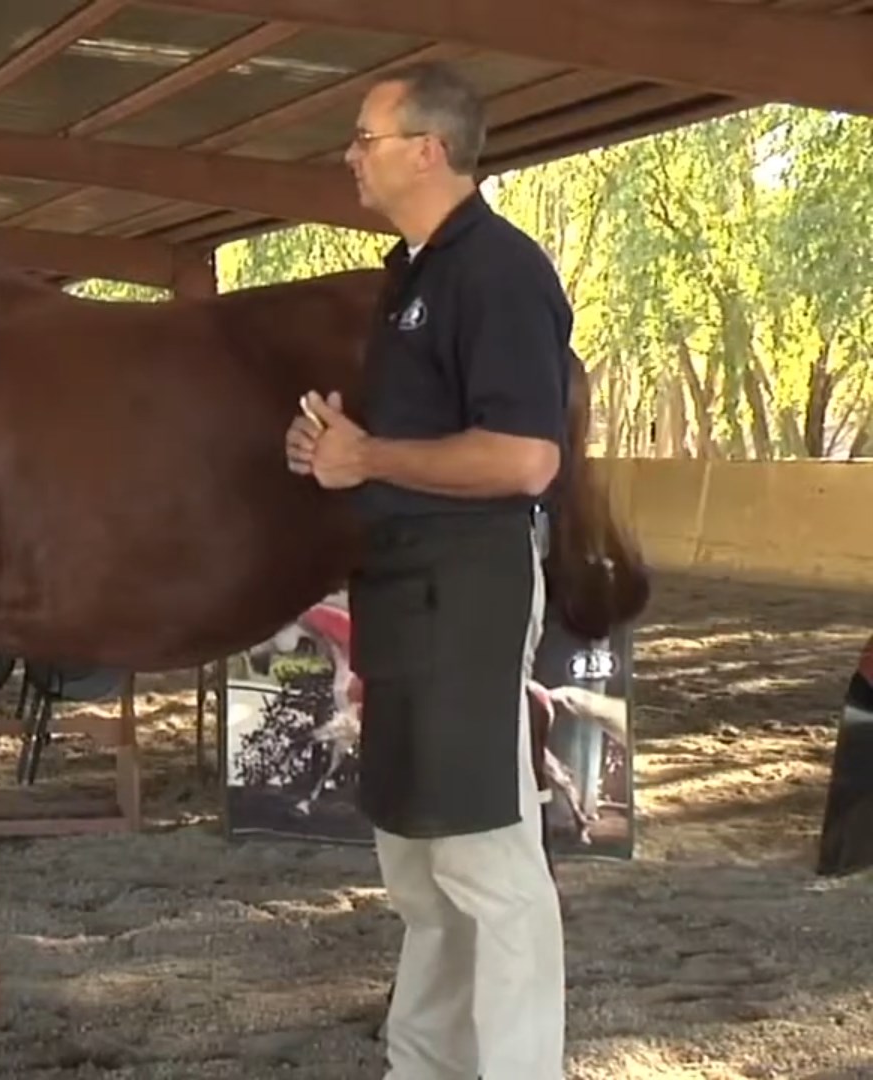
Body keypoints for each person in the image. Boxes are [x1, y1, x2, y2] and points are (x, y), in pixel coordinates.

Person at [284, 61, 571, 1079]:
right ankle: (426, 1065)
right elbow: (411, 441)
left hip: (471, 588)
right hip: (402, 587)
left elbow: (527, 457)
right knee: (414, 860)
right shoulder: (410, 275)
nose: (349, 157)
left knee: (487, 860)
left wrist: (371, 458)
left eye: (364, 137)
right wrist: (333, 452)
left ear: (429, 149)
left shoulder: (499, 271)